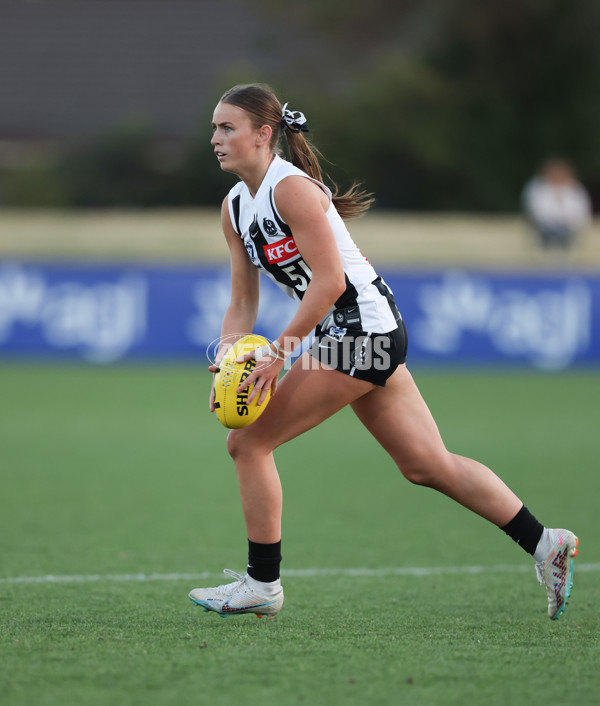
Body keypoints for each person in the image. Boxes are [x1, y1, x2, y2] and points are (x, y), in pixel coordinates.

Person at [189, 84, 578, 621]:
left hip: (363, 332)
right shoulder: (236, 208)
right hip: (352, 334)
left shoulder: (294, 191)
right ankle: (545, 542)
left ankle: (263, 584)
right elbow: (241, 299)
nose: (215, 138)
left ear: (264, 133)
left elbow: (327, 285)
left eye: (227, 127)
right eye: (214, 127)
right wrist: (231, 357)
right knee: (425, 464)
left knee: (248, 443)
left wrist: (279, 354)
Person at [522, 159, 592, 250]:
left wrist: (567, 222)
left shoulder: (575, 189)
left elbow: (581, 212)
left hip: (569, 229)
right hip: (545, 228)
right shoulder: (537, 188)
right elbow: (537, 212)